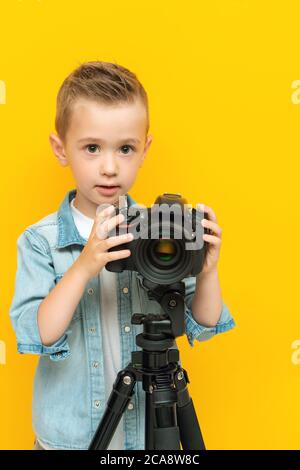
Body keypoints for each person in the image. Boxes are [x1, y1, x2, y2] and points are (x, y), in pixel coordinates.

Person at [9, 61, 236, 450]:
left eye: (125, 148)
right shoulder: (41, 241)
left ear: (145, 150)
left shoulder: (163, 232)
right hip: (71, 439)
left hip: (145, 435)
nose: (110, 167)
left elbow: (206, 321)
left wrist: (208, 270)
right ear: (61, 149)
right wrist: (84, 266)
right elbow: (40, 333)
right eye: (92, 148)